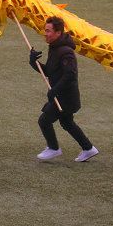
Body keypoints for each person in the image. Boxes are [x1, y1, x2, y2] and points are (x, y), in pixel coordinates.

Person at [29, 17, 98, 163]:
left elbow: (70, 75)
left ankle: (53, 148)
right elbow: (49, 71)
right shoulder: (54, 47)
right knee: (67, 123)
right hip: (61, 96)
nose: (45, 33)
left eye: (48, 31)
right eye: (45, 30)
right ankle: (88, 148)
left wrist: (55, 90)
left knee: (44, 121)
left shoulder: (66, 52)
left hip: (65, 98)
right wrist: (33, 62)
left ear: (58, 32)